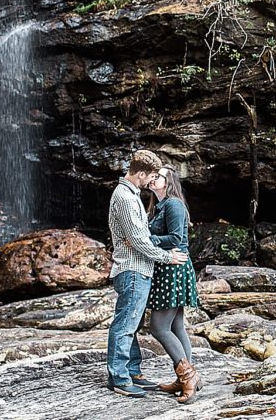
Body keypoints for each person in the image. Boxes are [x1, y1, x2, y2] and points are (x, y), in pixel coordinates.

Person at [106, 149, 187, 398]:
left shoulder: (131, 195)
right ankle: (119, 378)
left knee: (132, 323)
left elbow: (141, 239)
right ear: (140, 173)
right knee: (125, 325)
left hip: (138, 269)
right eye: (149, 176)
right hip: (132, 269)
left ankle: (133, 372)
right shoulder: (126, 198)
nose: (150, 181)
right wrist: (168, 257)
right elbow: (139, 241)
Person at [144, 165, 202, 403]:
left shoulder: (173, 204)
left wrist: (146, 238)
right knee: (177, 326)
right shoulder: (159, 206)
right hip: (169, 267)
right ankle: (185, 378)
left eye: (158, 176)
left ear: (168, 182)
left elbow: (177, 239)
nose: (153, 178)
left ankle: (188, 376)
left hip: (174, 268)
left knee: (158, 327)